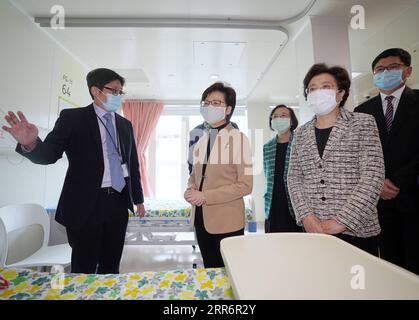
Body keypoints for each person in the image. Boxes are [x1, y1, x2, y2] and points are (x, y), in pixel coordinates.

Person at [2, 68, 145, 274]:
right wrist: (31, 143)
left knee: (111, 265)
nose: (118, 96)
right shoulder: (73, 118)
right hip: (85, 206)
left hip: (118, 203)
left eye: (121, 92)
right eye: (114, 91)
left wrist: (138, 199)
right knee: (83, 267)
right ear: (95, 91)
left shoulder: (125, 125)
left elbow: (132, 164)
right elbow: (50, 155)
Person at [287, 63, 385, 256]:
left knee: (359, 285)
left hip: (357, 231)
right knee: (320, 283)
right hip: (313, 229)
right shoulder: (300, 134)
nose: (317, 92)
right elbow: (294, 178)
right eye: (312, 89)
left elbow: (373, 176)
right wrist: (306, 216)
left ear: (340, 94)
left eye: (325, 87)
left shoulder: (362, 123)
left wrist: (342, 221)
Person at [355, 48, 419, 274]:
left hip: (413, 197)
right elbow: (358, 155)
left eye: (393, 68)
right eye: (380, 70)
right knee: (390, 267)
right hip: (378, 204)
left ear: (407, 71)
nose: (385, 73)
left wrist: (398, 181)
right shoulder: (361, 112)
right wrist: (378, 183)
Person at [184, 82, 253, 268]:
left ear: (228, 109)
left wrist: (205, 196)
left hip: (226, 221)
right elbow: (195, 176)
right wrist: (190, 189)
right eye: (206, 102)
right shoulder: (201, 139)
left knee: (230, 273)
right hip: (201, 219)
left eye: (216, 103)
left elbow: (246, 185)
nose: (209, 106)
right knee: (210, 270)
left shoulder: (239, 139)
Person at [263, 104, 301, 233]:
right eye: (275, 116)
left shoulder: (301, 142)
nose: (279, 118)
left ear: (291, 121)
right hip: (273, 204)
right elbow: (267, 174)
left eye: (283, 115)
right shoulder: (267, 147)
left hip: (295, 204)